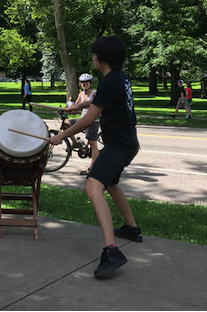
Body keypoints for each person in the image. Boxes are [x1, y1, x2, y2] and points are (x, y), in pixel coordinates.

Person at [49, 36, 141, 279]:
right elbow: (100, 103)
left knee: (92, 188)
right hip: (127, 142)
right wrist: (80, 105)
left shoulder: (110, 81)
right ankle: (132, 229)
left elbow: (89, 121)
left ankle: (112, 251)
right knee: (109, 183)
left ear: (103, 58)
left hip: (119, 145)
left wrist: (61, 136)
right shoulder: (119, 78)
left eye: (94, 55)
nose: (92, 58)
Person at [65, 73, 100, 175]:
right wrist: (70, 108)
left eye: (87, 82)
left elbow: (93, 103)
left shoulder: (94, 93)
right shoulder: (81, 94)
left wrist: (77, 106)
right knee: (65, 124)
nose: (85, 84)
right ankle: (75, 143)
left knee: (93, 145)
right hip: (82, 120)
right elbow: (77, 105)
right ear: (80, 84)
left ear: (90, 83)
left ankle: (92, 169)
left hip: (92, 120)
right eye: (83, 82)